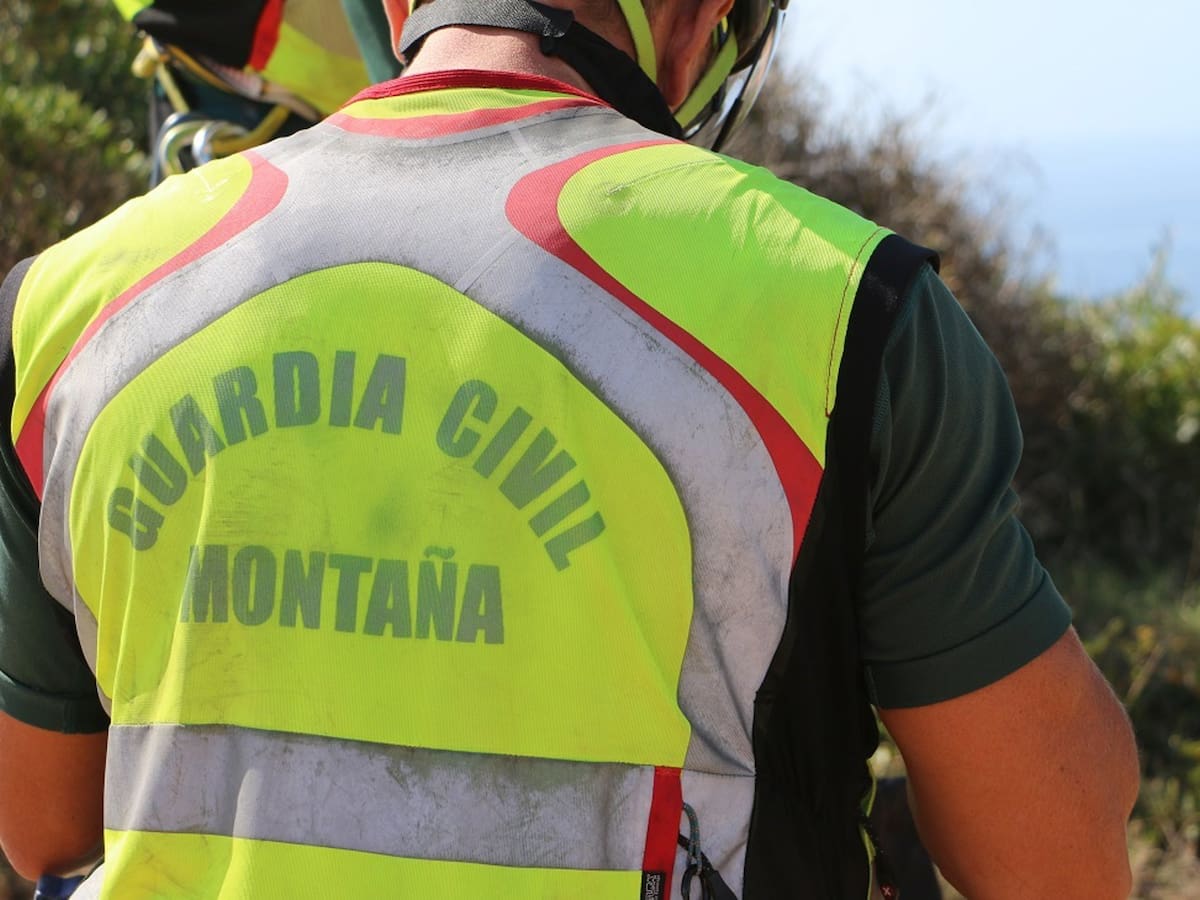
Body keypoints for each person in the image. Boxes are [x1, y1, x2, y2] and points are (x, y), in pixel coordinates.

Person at [0, 0, 1140, 897]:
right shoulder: (844, 310)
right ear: (705, 18)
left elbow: (45, 828)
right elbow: (1053, 862)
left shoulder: (64, 310)